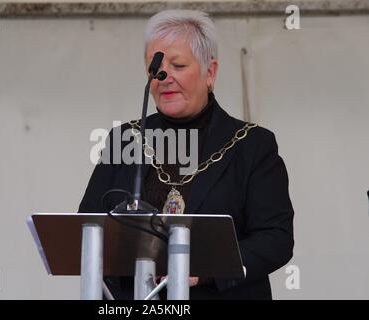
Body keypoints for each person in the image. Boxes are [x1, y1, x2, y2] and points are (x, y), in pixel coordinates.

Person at [79, 9, 294, 300]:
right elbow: (87, 226)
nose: (164, 77)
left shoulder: (252, 145)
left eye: (178, 65)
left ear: (210, 72)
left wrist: (205, 268)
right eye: (155, 68)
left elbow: (275, 239)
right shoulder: (125, 140)